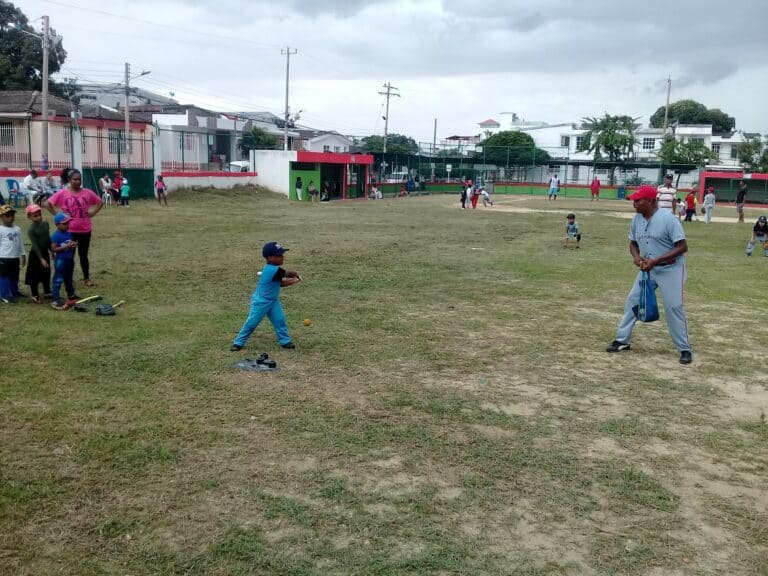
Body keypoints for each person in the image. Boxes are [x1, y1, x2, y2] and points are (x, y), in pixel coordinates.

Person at [606, 185, 692, 365]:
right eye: (634, 200)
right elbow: (633, 243)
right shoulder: (637, 219)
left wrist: (656, 260)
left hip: (671, 269)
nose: (634, 203)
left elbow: (682, 247)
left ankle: (684, 348)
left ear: (651, 201)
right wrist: (637, 257)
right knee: (633, 300)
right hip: (648, 269)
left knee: (673, 306)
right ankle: (622, 340)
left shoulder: (668, 219)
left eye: (638, 200)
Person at [230, 242, 301, 351]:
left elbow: (280, 283)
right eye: (279, 256)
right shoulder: (273, 270)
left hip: (273, 301)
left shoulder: (275, 270)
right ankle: (238, 342)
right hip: (261, 302)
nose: (282, 257)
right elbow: (287, 274)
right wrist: (294, 279)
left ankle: (285, 341)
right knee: (252, 323)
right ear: (270, 258)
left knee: (280, 320)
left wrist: (292, 278)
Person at [47, 168, 103, 288]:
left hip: (85, 230)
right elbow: (48, 204)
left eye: (79, 179)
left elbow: (100, 202)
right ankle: (68, 278)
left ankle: (86, 278)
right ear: (69, 180)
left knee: (83, 255)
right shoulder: (62, 193)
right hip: (69, 231)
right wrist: (58, 216)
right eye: (75, 179)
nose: (77, 182)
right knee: (68, 256)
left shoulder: (87, 192)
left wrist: (92, 213)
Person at [49, 212, 79, 310]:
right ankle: (55, 299)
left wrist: (73, 244)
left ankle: (71, 295)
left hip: (69, 259)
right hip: (60, 261)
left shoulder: (69, 233)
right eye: (64, 224)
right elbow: (53, 249)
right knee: (58, 280)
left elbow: (71, 243)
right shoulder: (56, 236)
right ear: (57, 225)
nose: (67, 225)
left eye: (68, 223)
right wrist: (67, 246)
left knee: (69, 278)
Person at [24, 204, 51, 303]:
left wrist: (51, 251)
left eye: (39, 214)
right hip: (36, 255)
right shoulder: (31, 230)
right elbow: (35, 245)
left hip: (45, 252)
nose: (38, 217)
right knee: (34, 275)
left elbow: (47, 238)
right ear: (29, 217)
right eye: (35, 216)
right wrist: (41, 259)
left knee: (46, 272)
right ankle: (35, 294)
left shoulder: (46, 224)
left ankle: (47, 291)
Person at [0, 204, 27, 303]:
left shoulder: (17, 229)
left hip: (15, 258)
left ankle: (14, 292)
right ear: (1, 217)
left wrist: (23, 255)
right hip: (3, 257)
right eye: (7, 215)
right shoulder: (1, 229)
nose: (11, 218)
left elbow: (20, 243)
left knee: (14, 276)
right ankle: (4, 295)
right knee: (4, 277)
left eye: (12, 215)